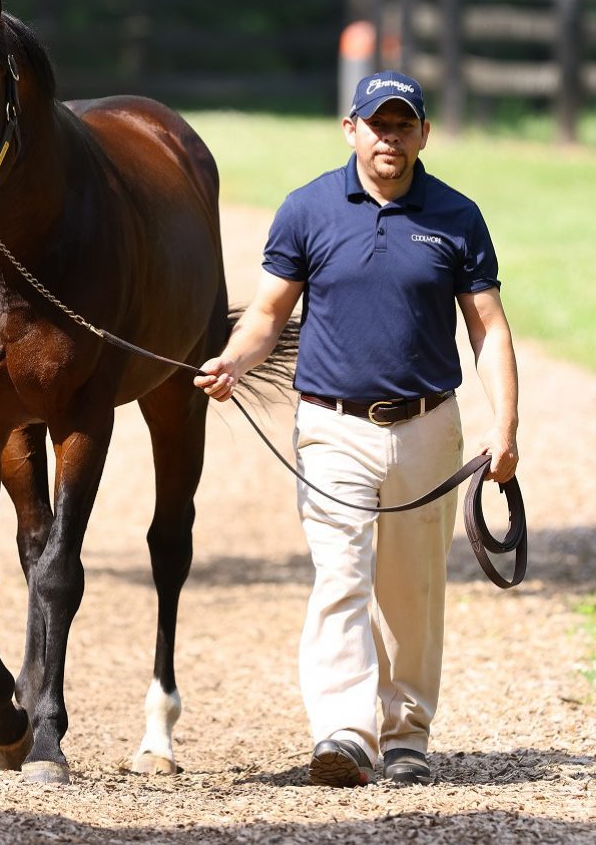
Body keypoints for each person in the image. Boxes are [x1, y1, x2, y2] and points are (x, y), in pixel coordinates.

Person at [195, 70, 519, 788]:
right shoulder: (307, 209)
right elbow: (269, 314)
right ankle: (344, 728)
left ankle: (407, 733)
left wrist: (506, 426)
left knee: (412, 587)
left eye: (404, 125)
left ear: (423, 135)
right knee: (340, 574)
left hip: (429, 427)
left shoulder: (457, 217)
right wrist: (233, 363)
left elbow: (488, 329)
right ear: (351, 129)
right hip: (332, 427)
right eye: (378, 124)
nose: (389, 137)